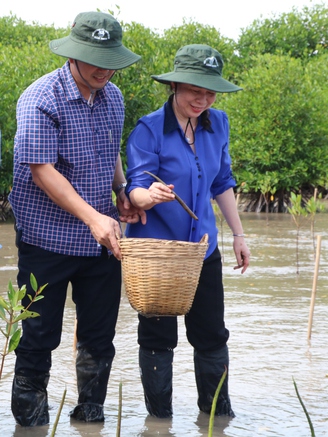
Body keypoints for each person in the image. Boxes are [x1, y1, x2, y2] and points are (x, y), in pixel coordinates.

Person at [9, 11, 146, 427]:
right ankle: (30, 425)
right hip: (46, 240)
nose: (104, 70)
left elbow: (111, 152)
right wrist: (92, 217)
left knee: (99, 338)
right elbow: (41, 169)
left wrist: (122, 192)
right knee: (38, 337)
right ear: (73, 55)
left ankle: (91, 420)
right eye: (95, 60)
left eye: (110, 61)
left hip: (100, 238)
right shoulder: (41, 97)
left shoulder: (114, 97)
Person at [124, 44, 251, 418]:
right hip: (157, 255)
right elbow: (134, 187)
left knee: (212, 335)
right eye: (195, 90)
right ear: (175, 85)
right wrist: (148, 196)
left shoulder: (219, 122)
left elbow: (222, 182)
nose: (203, 99)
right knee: (158, 339)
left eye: (210, 91)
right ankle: (159, 421)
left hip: (202, 250)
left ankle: (216, 418)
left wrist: (239, 235)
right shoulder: (149, 129)